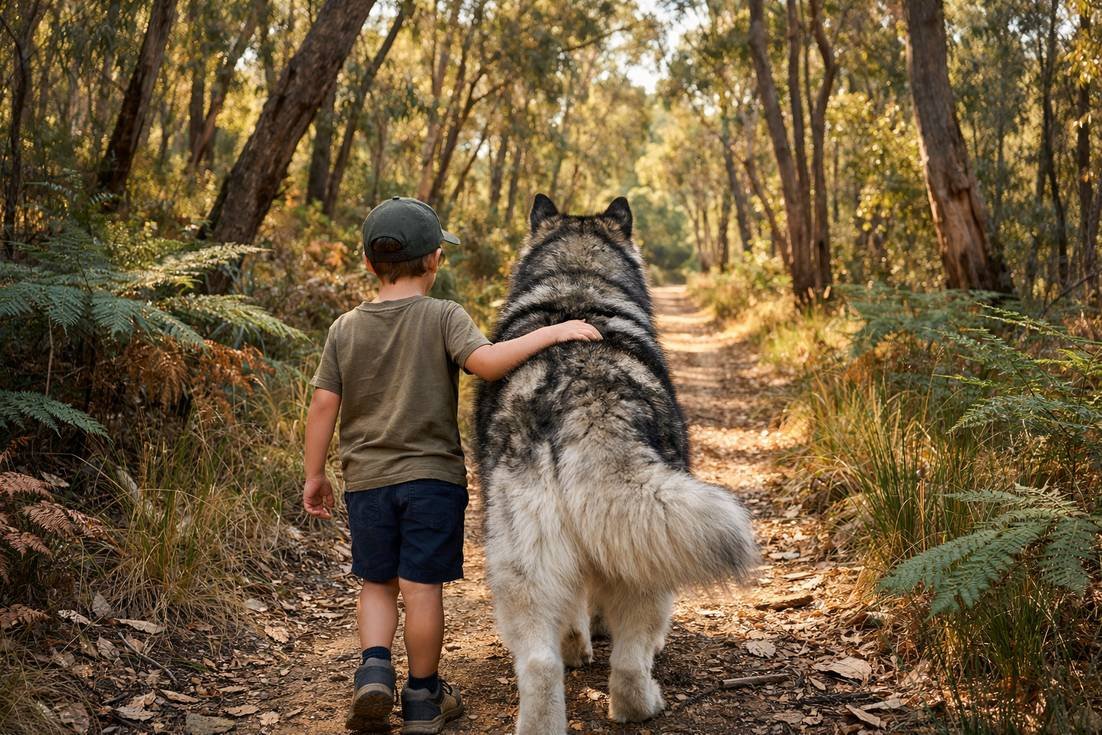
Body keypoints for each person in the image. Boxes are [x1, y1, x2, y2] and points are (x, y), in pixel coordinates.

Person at [302, 196, 601, 734]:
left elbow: (323, 403)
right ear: (436, 259)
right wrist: (553, 332)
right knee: (421, 589)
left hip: (367, 484)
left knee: (376, 583)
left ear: (370, 263)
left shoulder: (344, 327)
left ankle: (373, 670)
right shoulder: (443, 316)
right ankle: (422, 697)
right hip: (432, 483)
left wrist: (315, 474)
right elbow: (487, 365)